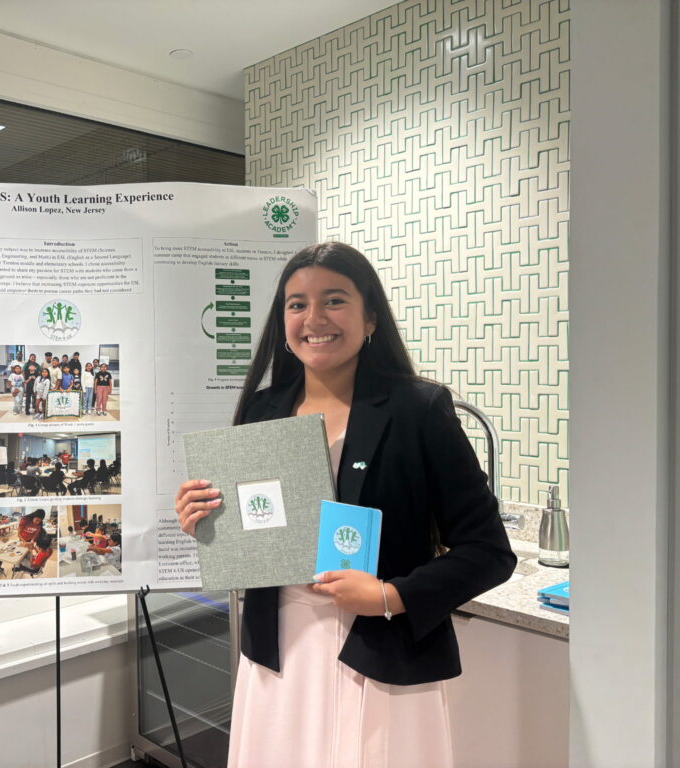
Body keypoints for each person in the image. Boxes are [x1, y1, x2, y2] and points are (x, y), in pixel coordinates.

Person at [174, 242, 515, 768]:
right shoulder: (264, 409)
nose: (314, 319)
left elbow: (490, 551)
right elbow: (258, 530)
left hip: (381, 651)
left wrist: (390, 595)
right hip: (278, 652)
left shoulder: (418, 408)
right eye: (297, 304)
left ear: (370, 316)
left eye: (334, 300)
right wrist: (208, 521)